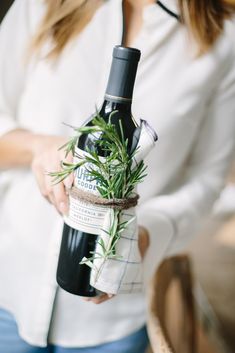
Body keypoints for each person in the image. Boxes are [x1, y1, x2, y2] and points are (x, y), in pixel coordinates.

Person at [0, 0, 235, 352]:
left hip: (114, 322)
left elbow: (208, 180)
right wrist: (37, 146)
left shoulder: (224, 39)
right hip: (10, 284)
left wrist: (148, 235)